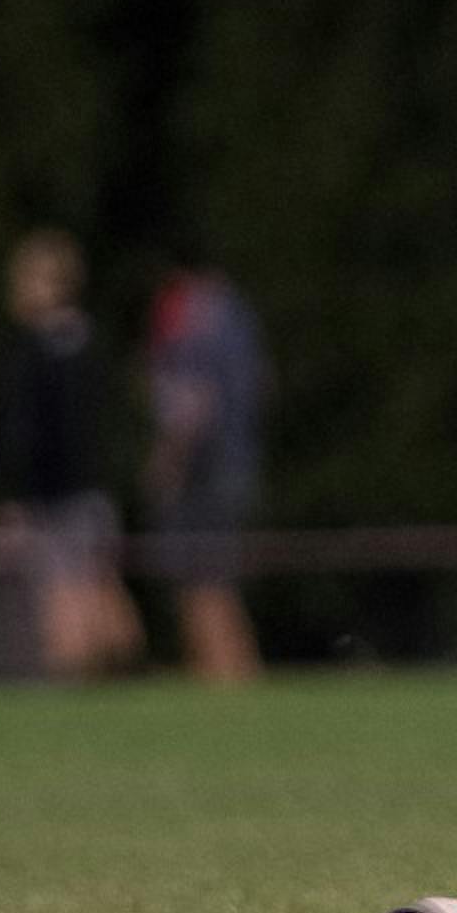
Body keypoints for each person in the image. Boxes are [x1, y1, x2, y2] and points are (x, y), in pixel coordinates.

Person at [0, 229, 145, 678]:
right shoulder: (91, 342)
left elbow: (27, 435)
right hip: (96, 491)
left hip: (57, 497)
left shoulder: (35, 352)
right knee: (101, 589)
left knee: (62, 599)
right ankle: (127, 683)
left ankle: (73, 691)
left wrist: (15, 499)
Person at [144, 246, 267, 683]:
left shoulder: (192, 314)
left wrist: (167, 462)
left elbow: (192, 403)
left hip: (202, 473)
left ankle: (216, 682)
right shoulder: (239, 313)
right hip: (237, 462)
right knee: (221, 584)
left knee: (198, 586)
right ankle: (239, 678)